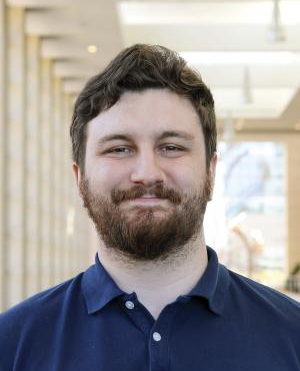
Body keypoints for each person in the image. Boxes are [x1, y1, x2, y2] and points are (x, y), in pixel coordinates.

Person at [0, 44, 299, 371]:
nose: (146, 173)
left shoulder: (292, 335)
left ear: (211, 171)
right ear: (80, 179)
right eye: (119, 148)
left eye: (171, 147)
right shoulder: (11, 344)